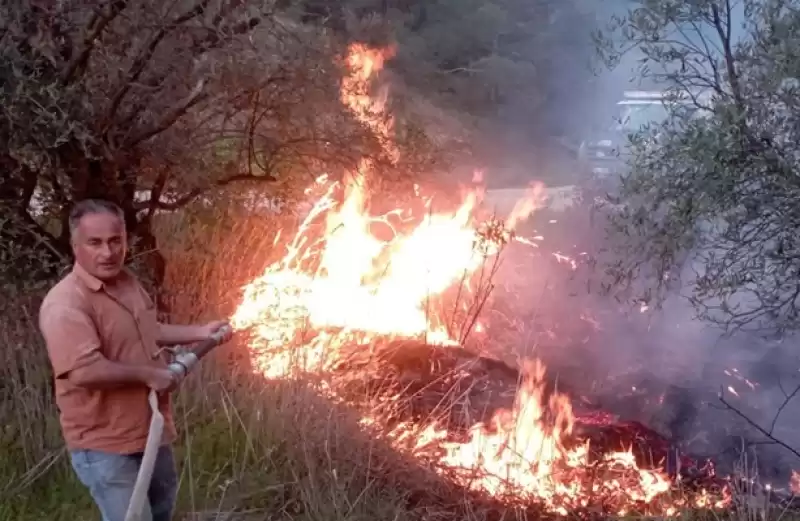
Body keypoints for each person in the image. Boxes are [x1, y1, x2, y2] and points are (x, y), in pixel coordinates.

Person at [38, 198, 232, 521]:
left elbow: (147, 330)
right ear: (76, 246)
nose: (108, 252)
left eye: (115, 241)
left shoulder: (127, 283)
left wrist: (199, 331)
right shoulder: (65, 304)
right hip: (105, 446)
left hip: (150, 432)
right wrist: (147, 375)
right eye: (95, 243)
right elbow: (83, 371)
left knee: (160, 513)